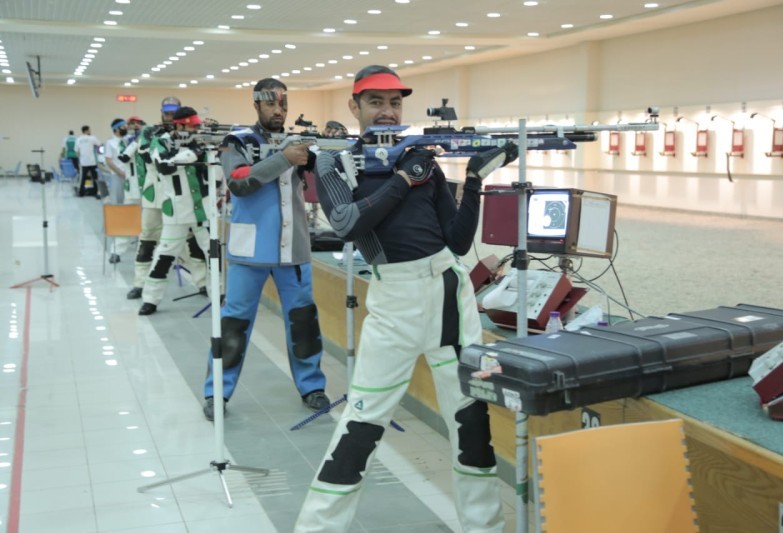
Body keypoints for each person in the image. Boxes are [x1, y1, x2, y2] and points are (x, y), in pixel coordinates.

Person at [294, 65, 517, 533]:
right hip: (393, 299)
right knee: (361, 423)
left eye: (395, 103)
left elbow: (458, 241)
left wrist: (474, 179)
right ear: (354, 106)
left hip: (449, 293)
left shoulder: (421, 159)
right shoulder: (336, 161)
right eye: (375, 102)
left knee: (471, 420)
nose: (387, 111)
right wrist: (402, 179)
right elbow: (347, 224)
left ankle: (485, 527)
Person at [201, 77, 329, 420]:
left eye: (283, 104)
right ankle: (216, 391)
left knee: (303, 322)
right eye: (271, 104)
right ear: (256, 104)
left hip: (294, 250)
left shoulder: (300, 143)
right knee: (234, 323)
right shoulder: (236, 141)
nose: (278, 111)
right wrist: (285, 158)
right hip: (250, 252)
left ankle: (312, 387)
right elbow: (240, 182)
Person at [126, 97, 206, 301]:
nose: (169, 116)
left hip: (182, 194)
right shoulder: (151, 132)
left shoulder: (190, 134)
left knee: (192, 240)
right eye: (167, 112)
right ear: (161, 112)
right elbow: (146, 155)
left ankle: (203, 281)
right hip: (155, 192)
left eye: (173, 112)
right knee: (148, 237)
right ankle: (140, 283)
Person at [103, 118, 131, 263]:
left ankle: (130, 230)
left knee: (130, 203)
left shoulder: (128, 140)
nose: (126, 128)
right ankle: (118, 231)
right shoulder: (110, 143)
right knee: (118, 203)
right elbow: (108, 160)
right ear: (116, 129)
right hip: (117, 175)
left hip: (130, 176)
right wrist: (119, 172)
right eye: (123, 126)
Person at [75, 125, 101, 197]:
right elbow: (99, 144)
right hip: (92, 161)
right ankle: (96, 192)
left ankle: (81, 193)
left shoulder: (78, 139)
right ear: (86, 131)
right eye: (89, 130)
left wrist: (80, 157)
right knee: (95, 177)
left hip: (83, 162)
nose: (90, 131)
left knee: (83, 178)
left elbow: (77, 151)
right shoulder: (92, 138)